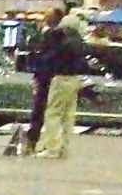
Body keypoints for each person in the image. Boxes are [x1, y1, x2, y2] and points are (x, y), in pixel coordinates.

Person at [37, 11, 92, 159]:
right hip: (75, 80)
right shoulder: (79, 41)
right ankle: (64, 147)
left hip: (61, 78)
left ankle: (52, 148)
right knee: (68, 115)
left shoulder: (64, 41)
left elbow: (50, 57)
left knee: (53, 113)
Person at [24, 7, 64, 148]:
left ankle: (36, 141)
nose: (45, 18)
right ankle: (43, 142)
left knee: (42, 110)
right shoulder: (59, 35)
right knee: (48, 112)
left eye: (48, 15)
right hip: (51, 77)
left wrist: (37, 74)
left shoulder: (53, 36)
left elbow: (44, 57)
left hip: (48, 78)